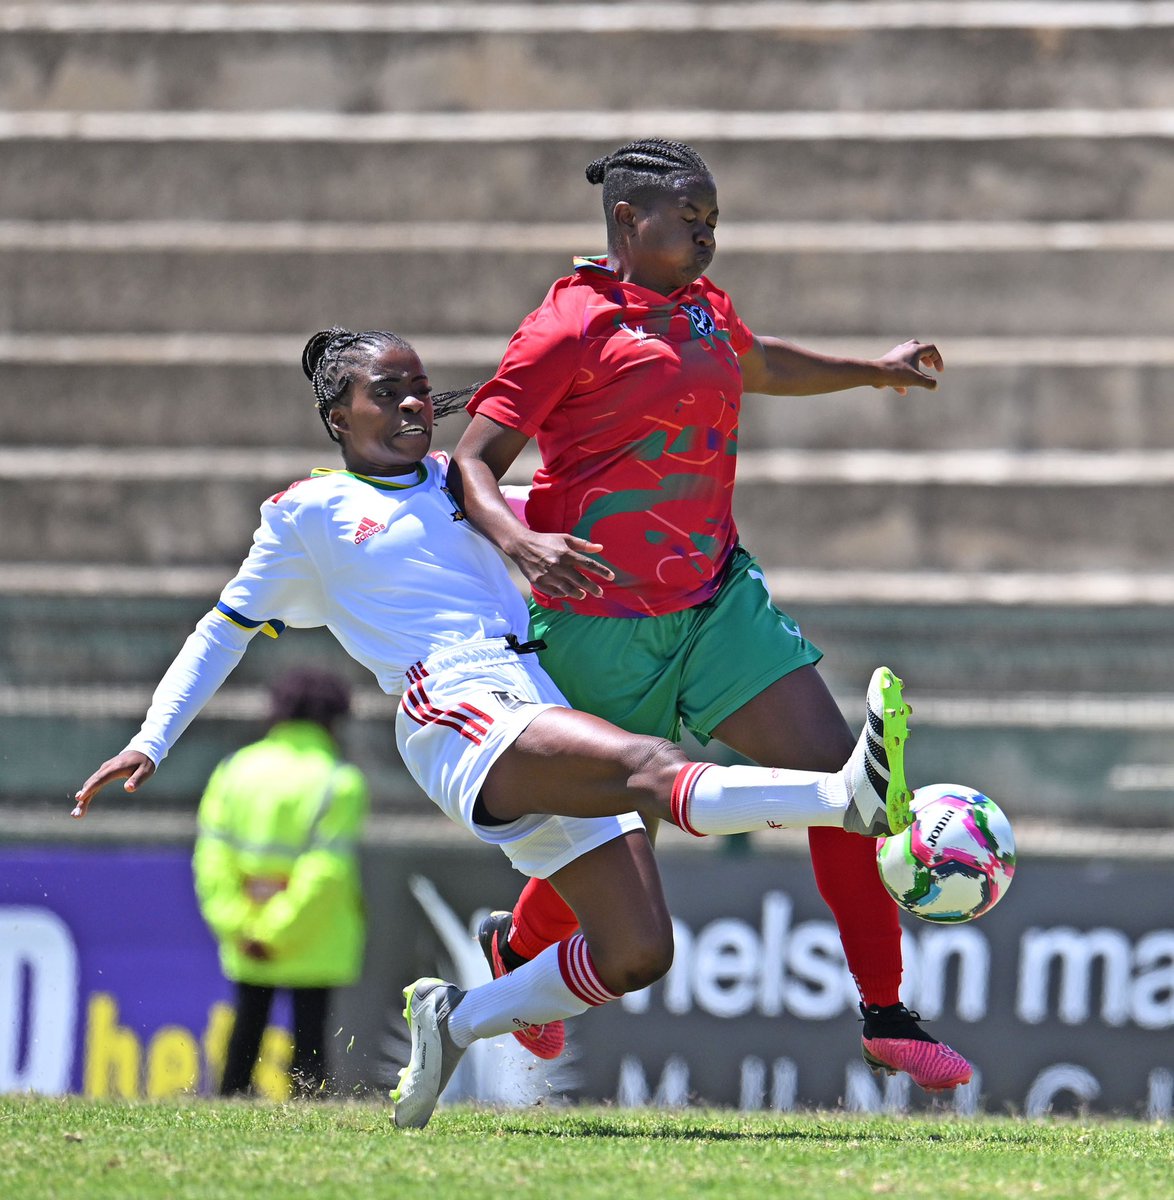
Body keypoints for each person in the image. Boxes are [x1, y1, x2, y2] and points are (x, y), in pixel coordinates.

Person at [73, 327, 911, 1129]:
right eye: (386, 392)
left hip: (533, 695)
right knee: (648, 767)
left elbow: (575, 508)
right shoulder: (308, 513)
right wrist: (152, 738)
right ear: (337, 417)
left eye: (418, 388)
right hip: (452, 705)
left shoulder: (458, 483)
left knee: (637, 953)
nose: (411, 403)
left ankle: (458, 1018)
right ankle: (841, 798)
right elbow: (222, 629)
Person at [448, 137, 972, 1092]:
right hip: (599, 622)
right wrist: (520, 543)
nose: (706, 236)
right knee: (615, 847)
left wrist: (874, 369)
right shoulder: (566, 326)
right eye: (689, 219)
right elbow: (470, 463)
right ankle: (515, 947)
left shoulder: (703, 308)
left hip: (719, 599)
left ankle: (886, 1012)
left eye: (713, 221)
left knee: (847, 782)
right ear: (626, 219)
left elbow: (759, 362)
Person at [192, 666, 367, 1098]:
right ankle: (310, 1113)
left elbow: (211, 859)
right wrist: (279, 929)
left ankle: (228, 1104)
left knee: (244, 1031)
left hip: (246, 930)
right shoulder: (339, 781)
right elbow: (326, 870)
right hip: (315, 937)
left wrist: (243, 926)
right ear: (333, 718)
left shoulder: (234, 770)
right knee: (311, 1041)